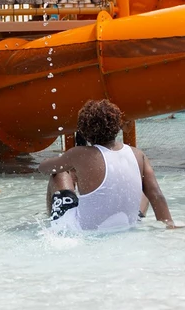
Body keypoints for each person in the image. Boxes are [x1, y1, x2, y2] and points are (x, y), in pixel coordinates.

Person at [38, 99, 174, 232]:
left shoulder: (79, 154)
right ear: (117, 125)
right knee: (145, 188)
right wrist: (169, 226)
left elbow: (44, 168)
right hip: (126, 223)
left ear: (84, 129)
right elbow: (157, 195)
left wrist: (64, 164)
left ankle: (55, 227)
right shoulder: (138, 154)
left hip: (87, 229)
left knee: (59, 173)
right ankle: (136, 220)